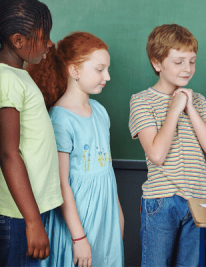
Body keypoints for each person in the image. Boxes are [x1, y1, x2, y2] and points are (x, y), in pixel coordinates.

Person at [28, 32, 124, 267]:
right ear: (75, 71)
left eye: (107, 69)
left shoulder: (100, 111)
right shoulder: (60, 119)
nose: (108, 77)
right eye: (100, 69)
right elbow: (61, 183)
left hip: (105, 217)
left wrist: (118, 214)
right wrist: (79, 237)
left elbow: (106, 169)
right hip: (77, 221)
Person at [129, 23, 206, 266]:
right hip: (162, 200)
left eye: (192, 61)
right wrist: (174, 110)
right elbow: (157, 154)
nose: (187, 68)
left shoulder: (198, 101)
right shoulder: (141, 101)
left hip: (199, 201)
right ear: (157, 63)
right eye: (179, 61)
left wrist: (189, 107)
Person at [0, 0, 63, 265]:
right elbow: (8, 154)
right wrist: (33, 221)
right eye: (44, 37)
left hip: (27, 211)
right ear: (18, 40)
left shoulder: (20, 75)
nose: (50, 43)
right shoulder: (7, 80)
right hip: (18, 215)